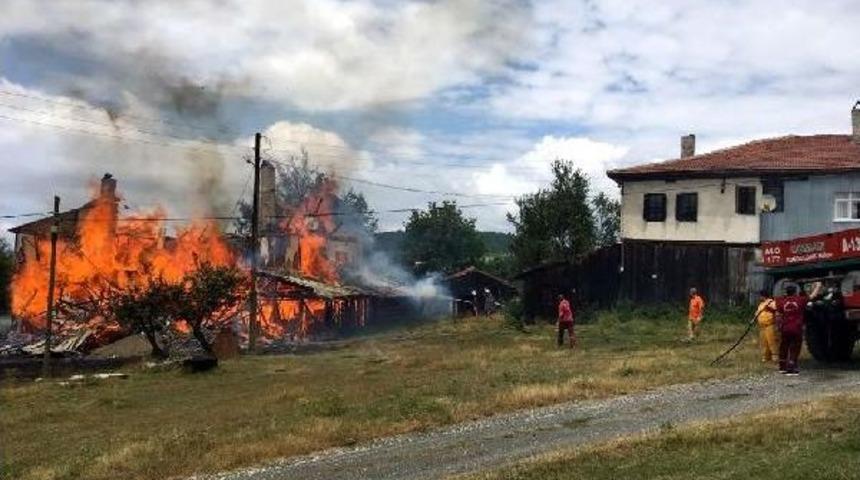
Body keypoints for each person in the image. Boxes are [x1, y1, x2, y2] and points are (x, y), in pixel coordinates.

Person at [776, 285, 806, 375]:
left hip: (785, 328)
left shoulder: (782, 301)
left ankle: (782, 367)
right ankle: (791, 367)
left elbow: (778, 314)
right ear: (795, 292)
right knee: (795, 347)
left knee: (784, 346)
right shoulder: (800, 300)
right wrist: (818, 286)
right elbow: (812, 296)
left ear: (786, 292)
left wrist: (778, 326)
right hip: (796, 328)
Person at [755, 289, 779, 363]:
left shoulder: (771, 302)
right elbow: (757, 313)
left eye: (760, 296)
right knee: (764, 342)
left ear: (763, 296)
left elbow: (777, 311)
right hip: (762, 326)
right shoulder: (761, 304)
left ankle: (775, 357)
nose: (759, 298)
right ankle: (766, 357)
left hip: (770, 325)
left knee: (772, 342)